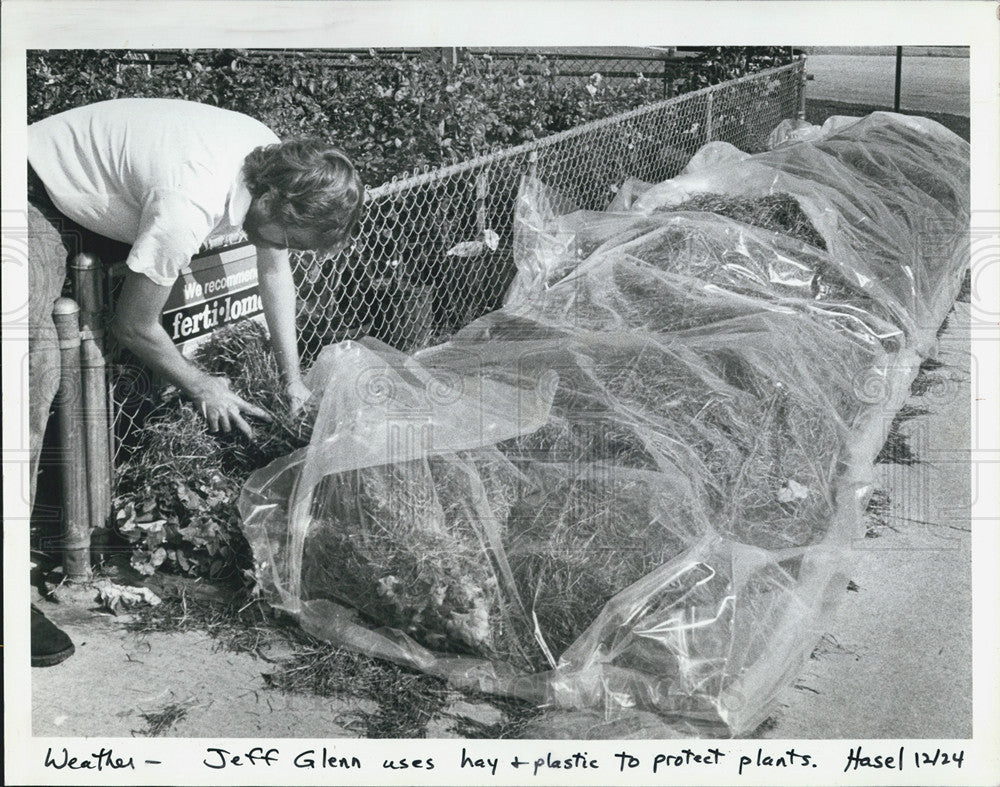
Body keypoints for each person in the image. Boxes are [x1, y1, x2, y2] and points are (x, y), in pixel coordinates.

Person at [27, 98, 364, 666]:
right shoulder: (191, 202)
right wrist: (203, 385)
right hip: (25, 186)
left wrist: (292, 379)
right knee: (32, 371)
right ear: (276, 199)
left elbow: (272, 266)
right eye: (292, 234)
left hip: (88, 200)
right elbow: (133, 325)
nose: (285, 247)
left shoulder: (266, 155)